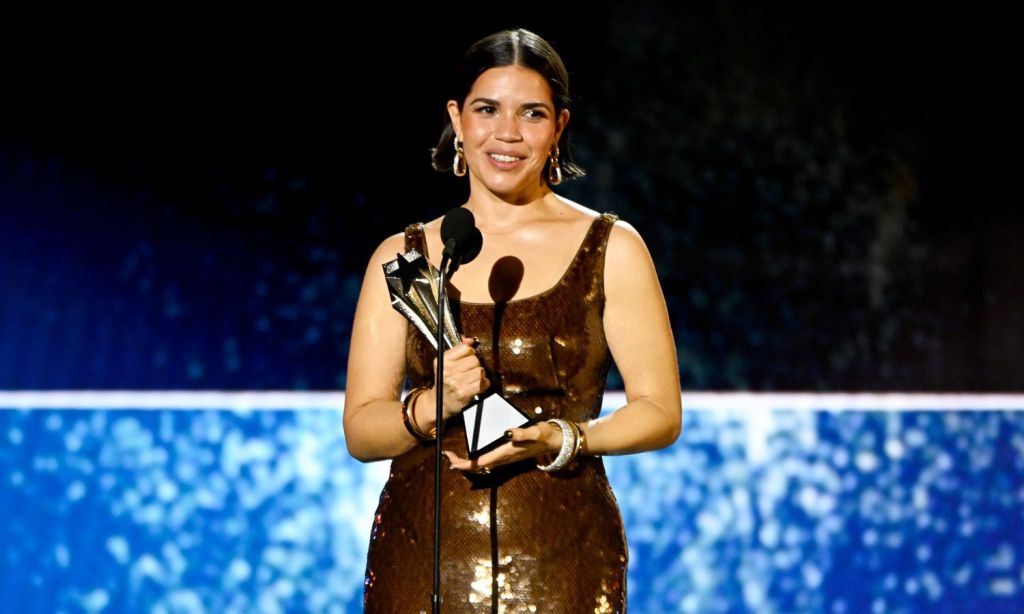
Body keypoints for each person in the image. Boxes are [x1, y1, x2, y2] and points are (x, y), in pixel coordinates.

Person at [344, 28, 681, 613]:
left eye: (531, 113)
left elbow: (660, 412)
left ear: (559, 127)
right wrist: (432, 404)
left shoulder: (611, 247)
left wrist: (565, 437)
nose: (507, 133)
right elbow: (361, 431)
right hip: (423, 559)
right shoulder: (404, 258)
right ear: (457, 119)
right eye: (486, 110)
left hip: (563, 555)